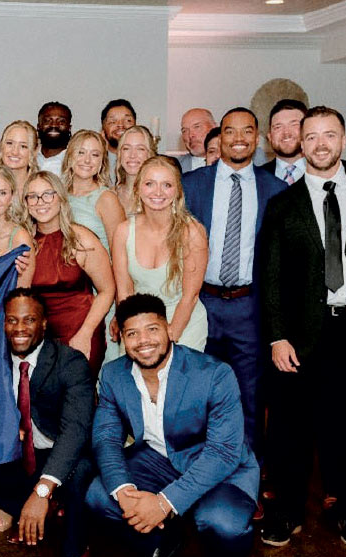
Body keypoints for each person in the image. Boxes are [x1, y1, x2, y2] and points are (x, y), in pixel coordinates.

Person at [258, 106, 346, 549]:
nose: (319, 144)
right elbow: (271, 276)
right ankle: (287, 512)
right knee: (290, 429)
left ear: (344, 140)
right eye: (310, 136)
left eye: (328, 135)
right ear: (300, 143)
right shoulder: (282, 204)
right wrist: (277, 336)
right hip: (300, 335)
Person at [86, 293, 259, 557]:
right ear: (122, 339)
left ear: (168, 329)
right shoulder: (113, 375)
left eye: (152, 329)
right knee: (100, 496)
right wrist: (124, 492)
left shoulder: (214, 374)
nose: (144, 341)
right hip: (157, 461)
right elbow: (106, 438)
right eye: (132, 334)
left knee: (222, 522)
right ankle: (161, 542)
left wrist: (164, 502)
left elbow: (222, 453)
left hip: (219, 468)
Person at [0, 288, 95, 557]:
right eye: (12, 320)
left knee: (78, 476)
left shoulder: (70, 362)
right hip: (19, 452)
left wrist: (43, 490)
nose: (20, 329)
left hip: (62, 455)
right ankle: (22, 506)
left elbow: (75, 431)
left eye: (29, 320)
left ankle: (75, 555)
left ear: (44, 324)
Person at [182, 107, 288, 454]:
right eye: (230, 131)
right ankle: (197, 475)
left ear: (257, 139)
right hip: (200, 303)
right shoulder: (192, 186)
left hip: (249, 306)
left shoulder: (277, 190)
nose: (238, 138)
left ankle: (246, 481)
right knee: (196, 394)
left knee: (248, 398)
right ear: (220, 136)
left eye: (247, 132)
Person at [111, 156, 208, 352]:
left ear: (177, 192)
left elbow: (191, 296)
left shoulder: (192, 232)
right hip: (139, 323)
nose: (158, 192)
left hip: (183, 322)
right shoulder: (123, 231)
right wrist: (131, 331)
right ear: (138, 188)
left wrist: (168, 337)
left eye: (166, 185)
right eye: (150, 184)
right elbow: (124, 292)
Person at [26, 171, 114, 374]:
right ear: (27, 203)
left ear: (61, 198)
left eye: (48, 194)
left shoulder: (81, 238)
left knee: (76, 400)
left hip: (80, 332)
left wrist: (85, 333)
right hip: (39, 339)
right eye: (33, 196)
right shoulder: (24, 242)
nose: (41, 201)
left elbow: (107, 290)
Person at [62, 129, 126, 360]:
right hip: (69, 297)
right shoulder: (58, 196)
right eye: (81, 152)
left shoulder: (106, 199)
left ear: (102, 162)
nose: (87, 160)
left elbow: (121, 256)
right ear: (70, 157)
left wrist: (121, 310)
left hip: (102, 297)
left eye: (95, 155)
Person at [260, 99, 307, 185]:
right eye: (278, 127)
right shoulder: (256, 177)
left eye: (294, 124)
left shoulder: (328, 171)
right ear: (269, 136)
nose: (286, 132)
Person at [114, 125, 157, 213]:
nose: (132, 155)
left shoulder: (157, 195)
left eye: (140, 149)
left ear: (150, 154)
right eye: (126, 148)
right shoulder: (111, 194)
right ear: (120, 154)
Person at [0, 120, 39, 199]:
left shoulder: (40, 188)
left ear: (34, 151)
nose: (15, 152)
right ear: (1, 146)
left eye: (23, 146)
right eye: (9, 143)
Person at [101, 99, 137, 172]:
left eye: (128, 120)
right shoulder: (93, 164)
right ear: (103, 129)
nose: (121, 125)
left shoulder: (147, 163)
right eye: (113, 121)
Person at [37, 101, 73, 174]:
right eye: (47, 121)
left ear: (69, 128)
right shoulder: (27, 158)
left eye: (61, 122)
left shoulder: (76, 162)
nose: (54, 125)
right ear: (38, 127)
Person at [178, 108, 216, 173]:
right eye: (185, 131)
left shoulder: (233, 163)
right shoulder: (174, 168)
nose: (190, 135)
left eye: (197, 127)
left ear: (214, 127)